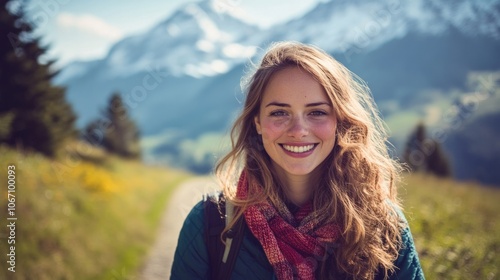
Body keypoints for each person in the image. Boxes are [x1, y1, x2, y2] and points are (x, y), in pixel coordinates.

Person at [171, 41, 424, 279]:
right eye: (279, 112)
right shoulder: (211, 224)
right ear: (257, 122)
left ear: (340, 122)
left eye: (317, 112)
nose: (298, 130)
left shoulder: (383, 226)